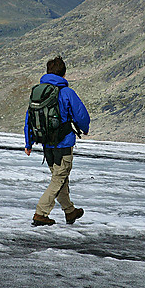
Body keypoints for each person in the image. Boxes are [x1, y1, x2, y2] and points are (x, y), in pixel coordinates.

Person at [24, 56, 90, 226]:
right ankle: (41, 213)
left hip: (47, 145)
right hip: (64, 144)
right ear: (64, 73)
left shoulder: (39, 92)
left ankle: (70, 212)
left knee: (60, 178)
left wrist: (28, 143)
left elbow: (29, 118)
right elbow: (81, 115)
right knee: (58, 179)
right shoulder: (67, 93)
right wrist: (85, 129)